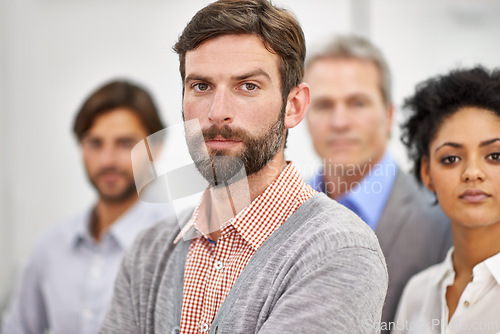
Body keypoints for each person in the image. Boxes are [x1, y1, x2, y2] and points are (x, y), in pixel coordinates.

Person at [99, 1, 388, 333]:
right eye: (201, 86)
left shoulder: (340, 250)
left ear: (293, 107)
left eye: (248, 86)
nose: (217, 111)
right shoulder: (148, 252)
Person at [304, 34, 453, 330]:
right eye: (323, 105)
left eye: (357, 103)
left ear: (388, 116)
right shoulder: (281, 212)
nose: (339, 122)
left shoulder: (443, 217)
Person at [2, 80, 171, 334]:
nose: (107, 160)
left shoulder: (180, 247)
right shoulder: (50, 246)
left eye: (125, 143)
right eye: (95, 143)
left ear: (155, 148)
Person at [392, 67, 500, 333]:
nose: (472, 173)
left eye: (495, 156)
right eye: (451, 159)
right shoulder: (416, 293)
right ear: (427, 173)